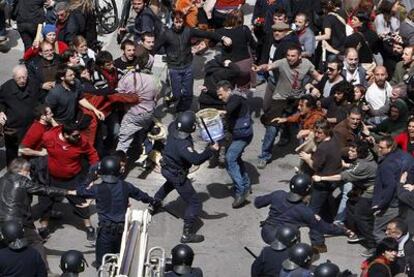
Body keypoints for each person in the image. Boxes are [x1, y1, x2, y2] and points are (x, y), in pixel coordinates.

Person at [74, 155, 158, 267]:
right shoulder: (126, 186)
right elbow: (142, 196)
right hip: (122, 232)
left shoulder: (97, 189)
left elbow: (80, 190)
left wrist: (90, 177)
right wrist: (153, 201)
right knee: (120, 261)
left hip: (106, 232)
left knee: (102, 264)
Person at [153, 111, 219, 243]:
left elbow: (181, 121)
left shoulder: (173, 128)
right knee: (194, 203)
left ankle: (153, 204)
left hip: (167, 169)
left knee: (169, 184)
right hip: (177, 174)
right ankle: (187, 234)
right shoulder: (184, 145)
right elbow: (196, 159)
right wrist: (210, 150)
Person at [253, 45, 320, 169]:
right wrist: (260, 68)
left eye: (293, 56)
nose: (290, 58)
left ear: (300, 56)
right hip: (280, 98)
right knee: (272, 128)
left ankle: (303, 149)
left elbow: (318, 76)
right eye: (288, 55)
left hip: (297, 100)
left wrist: (318, 86)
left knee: (302, 123)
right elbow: (268, 67)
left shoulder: (306, 64)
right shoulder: (283, 63)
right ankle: (264, 155)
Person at [154, 10, 232, 112]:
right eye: (176, 22)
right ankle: (172, 97)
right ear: (172, 21)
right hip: (174, 69)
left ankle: (181, 111)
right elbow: (154, 48)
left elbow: (207, 34)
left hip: (188, 67)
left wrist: (222, 37)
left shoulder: (188, 31)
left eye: (181, 22)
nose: (178, 24)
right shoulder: (166, 34)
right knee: (177, 94)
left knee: (188, 95)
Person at [0, 158, 71, 270]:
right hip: (18, 221)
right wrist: (67, 192)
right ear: (22, 170)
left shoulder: (2, 179)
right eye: (27, 171)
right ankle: (44, 269)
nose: (28, 173)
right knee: (36, 242)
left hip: (2, 220)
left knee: (5, 244)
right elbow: (44, 190)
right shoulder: (23, 180)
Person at [254, 174, 351, 253]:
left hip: (266, 232)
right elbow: (324, 228)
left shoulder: (278, 194)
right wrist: (344, 231)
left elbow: (257, 203)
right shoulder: (306, 212)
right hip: (287, 239)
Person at [313, 141, 377, 254]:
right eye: (350, 150)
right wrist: (346, 165)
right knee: (350, 205)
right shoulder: (365, 158)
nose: (349, 152)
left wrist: (321, 178)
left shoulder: (364, 166)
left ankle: (372, 245)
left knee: (361, 216)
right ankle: (357, 231)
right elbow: (354, 166)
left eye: (353, 151)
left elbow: (342, 177)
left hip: (370, 192)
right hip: (361, 189)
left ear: (360, 153)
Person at [38, 123, 100, 241]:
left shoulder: (82, 141)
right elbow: (37, 145)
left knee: (80, 203)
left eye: (78, 135)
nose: (78, 138)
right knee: (45, 203)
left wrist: (93, 174)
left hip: (72, 179)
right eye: (75, 136)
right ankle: (43, 228)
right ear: (65, 134)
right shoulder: (49, 136)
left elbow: (92, 155)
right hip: (50, 178)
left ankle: (89, 227)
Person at [216, 81, 253, 208]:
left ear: (228, 90)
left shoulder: (236, 97)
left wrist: (220, 113)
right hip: (237, 135)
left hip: (242, 136)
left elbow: (229, 109)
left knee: (230, 159)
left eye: (221, 95)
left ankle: (241, 191)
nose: (220, 98)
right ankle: (246, 185)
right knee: (236, 158)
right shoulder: (234, 97)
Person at [115, 52, 159, 154]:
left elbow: (119, 92)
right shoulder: (155, 79)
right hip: (148, 114)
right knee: (144, 133)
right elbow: (155, 98)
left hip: (132, 115)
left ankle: (120, 162)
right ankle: (146, 154)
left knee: (123, 142)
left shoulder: (129, 76)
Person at [0, 64, 40, 165]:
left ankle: (29, 169)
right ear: (13, 78)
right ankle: (12, 172)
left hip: (30, 125)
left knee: (29, 148)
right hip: (13, 126)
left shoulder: (34, 84)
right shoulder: (6, 88)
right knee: (12, 152)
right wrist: (1, 112)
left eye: (24, 77)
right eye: (19, 78)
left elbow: (41, 99)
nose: (22, 80)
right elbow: (1, 102)